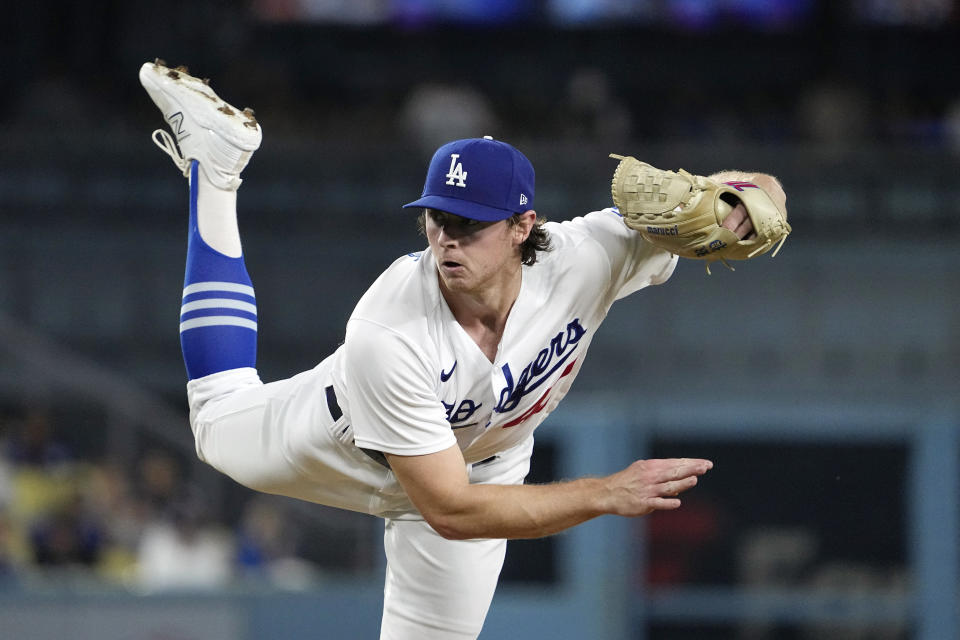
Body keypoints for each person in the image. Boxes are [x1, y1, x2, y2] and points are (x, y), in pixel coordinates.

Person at [139, 59, 783, 639]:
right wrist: (606, 493)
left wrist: (742, 205)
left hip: (486, 467)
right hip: (342, 446)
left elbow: (761, 187)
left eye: (470, 225)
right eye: (439, 218)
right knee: (216, 420)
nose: (448, 239)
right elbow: (447, 511)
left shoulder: (589, 255)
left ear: (522, 226)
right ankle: (216, 172)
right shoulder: (389, 332)